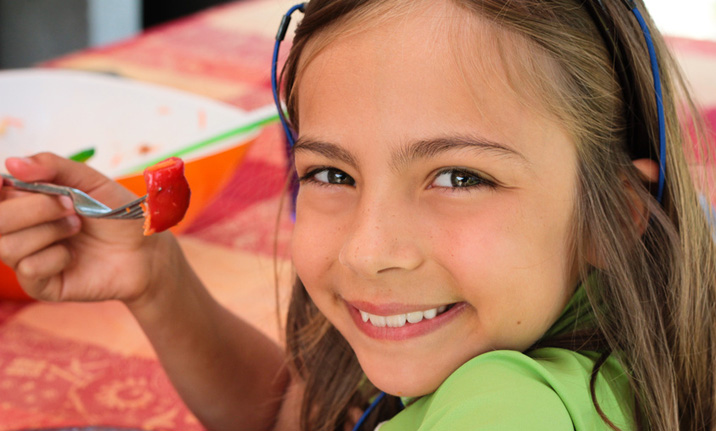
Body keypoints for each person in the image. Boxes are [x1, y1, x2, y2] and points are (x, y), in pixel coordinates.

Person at [0, 0, 714, 430]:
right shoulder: (546, 314)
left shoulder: (507, 407)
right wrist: (156, 279)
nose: (370, 249)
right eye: (332, 173)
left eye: (459, 176)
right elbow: (294, 418)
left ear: (613, 215)